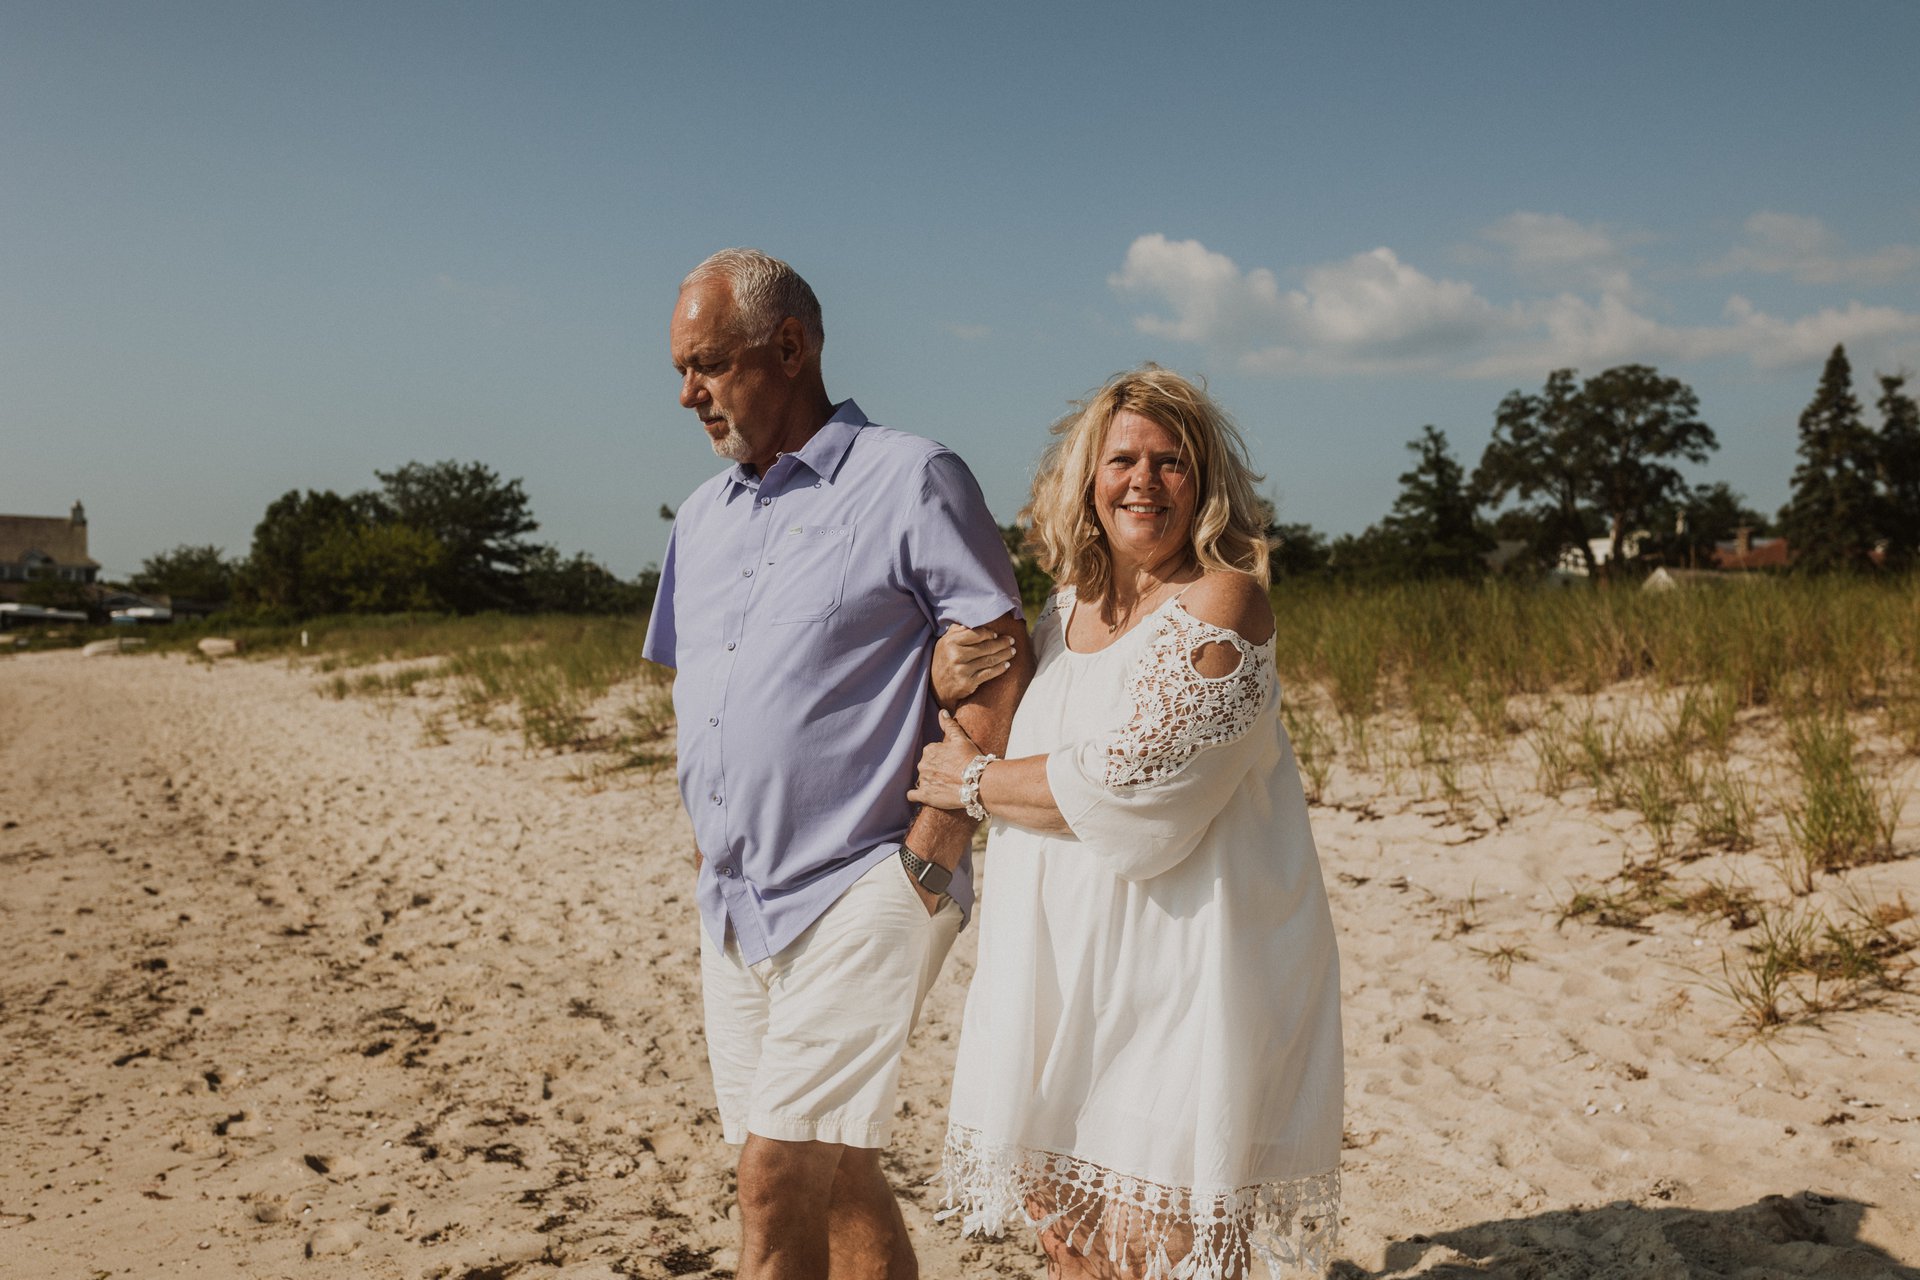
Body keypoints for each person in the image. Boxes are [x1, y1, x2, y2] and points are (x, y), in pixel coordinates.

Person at [642, 248, 1032, 1280]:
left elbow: (1001, 653)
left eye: (708, 364)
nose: (688, 394)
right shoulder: (701, 519)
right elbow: (707, 695)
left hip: (868, 879)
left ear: (790, 347)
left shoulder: (911, 477)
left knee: (774, 1177)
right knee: (838, 1166)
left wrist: (933, 850)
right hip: (735, 900)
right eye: (681, 370)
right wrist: (708, 842)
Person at [908, 366, 1343, 1279]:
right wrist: (944, 678)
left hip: (1183, 969)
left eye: (1171, 461)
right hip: (1057, 964)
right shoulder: (1065, 608)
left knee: (1164, 1245)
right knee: (1067, 1237)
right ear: (1088, 478)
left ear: (1205, 482)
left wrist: (972, 783)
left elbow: (1137, 785)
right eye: (1123, 460)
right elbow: (1013, 726)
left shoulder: (1223, 602)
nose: (1144, 480)